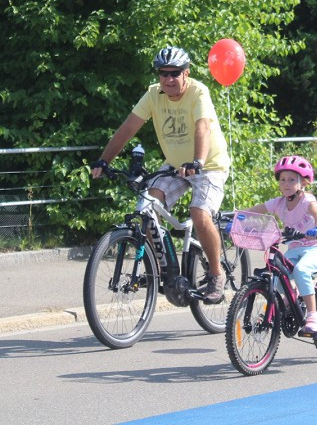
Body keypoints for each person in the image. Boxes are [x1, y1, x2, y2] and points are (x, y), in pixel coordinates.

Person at [92, 46, 231, 303]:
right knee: (146, 205)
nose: (168, 79)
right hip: (176, 165)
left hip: (208, 164)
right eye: (163, 73)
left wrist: (198, 161)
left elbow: (203, 128)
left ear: (186, 73)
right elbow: (127, 128)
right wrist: (104, 160)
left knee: (199, 213)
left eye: (175, 73)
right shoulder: (153, 95)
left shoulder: (199, 92)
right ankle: (162, 269)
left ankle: (216, 274)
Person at [244, 155, 317, 334]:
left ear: (303, 183)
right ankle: (292, 296)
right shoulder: (278, 203)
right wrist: (238, 217)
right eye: (283, 179)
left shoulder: (307, 200)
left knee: (301, 270)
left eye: (292, 180)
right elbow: (256, 210)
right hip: (295, 249)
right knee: (274, 275)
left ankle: (313, 316)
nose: (286, 183)